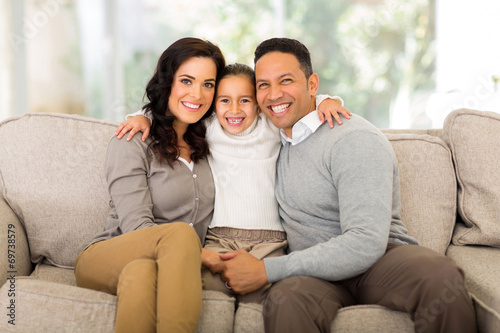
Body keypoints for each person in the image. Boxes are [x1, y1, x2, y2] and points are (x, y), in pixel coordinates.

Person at [209, 38, 477, 333]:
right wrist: (146, 117)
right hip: (313, 275)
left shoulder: (352, 137)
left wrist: (267, 270)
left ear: (312, 84)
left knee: (439, 277)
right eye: (263, 85)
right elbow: (194, 113)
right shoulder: (269, 136)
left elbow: (365, 241)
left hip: (379, 261)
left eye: (286, 81)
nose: (274, 95)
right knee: (286, 299)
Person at [116, 62, 352, 306]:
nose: (235, 110)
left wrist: (326, 100)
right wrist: (142, 117)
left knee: (272, 300)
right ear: (213, 105)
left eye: (245, 100)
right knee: (193, 293)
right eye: (224, 100)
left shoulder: (271, 127)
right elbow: (172, 115)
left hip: (271, 244)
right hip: (219, 241)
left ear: (259, 105)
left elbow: (299, 105)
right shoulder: (207, 130)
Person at [74, 37, 226, 333]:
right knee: (181, 235)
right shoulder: (134, 140)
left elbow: (261, 108)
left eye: (208, 84)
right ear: (167, 82)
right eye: (186, 80)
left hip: (152, 265)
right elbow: (137, 227)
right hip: (106, 255)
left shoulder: (213, 140)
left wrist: (326, 101)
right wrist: (202, 255)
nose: (198, 93)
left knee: (142, 275)